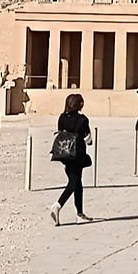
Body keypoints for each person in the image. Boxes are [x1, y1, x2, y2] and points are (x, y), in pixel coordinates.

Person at [50, 93, 93, 225]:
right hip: (77, 154)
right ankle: (57, 205)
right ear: (80, 104)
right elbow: (88, 139)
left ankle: (79, 214)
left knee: (77, 183)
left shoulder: (62, 117)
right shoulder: (82, 119)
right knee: (73, 183)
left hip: (64, 154)